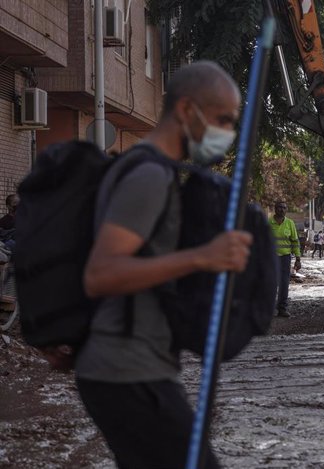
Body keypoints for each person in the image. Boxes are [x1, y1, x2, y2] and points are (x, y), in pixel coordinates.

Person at [57, 61, 252, 469]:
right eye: (221, 119)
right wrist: (202, 256)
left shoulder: (148, 169)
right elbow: (102, 274)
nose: (226, 133)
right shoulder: (148, 175)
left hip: (130, 365)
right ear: (186, 110)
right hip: (126, 369)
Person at [269, 201, 301, 318]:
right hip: (271, 258)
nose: (282, 210)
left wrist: (298, 258)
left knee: (284, 283)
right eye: (279, 207)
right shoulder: (269, 223)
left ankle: (282, 308)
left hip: (285, 258)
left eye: (284, 208)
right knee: (271, 283)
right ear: (275, 209)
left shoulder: (290, 223)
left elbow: (295, 241)